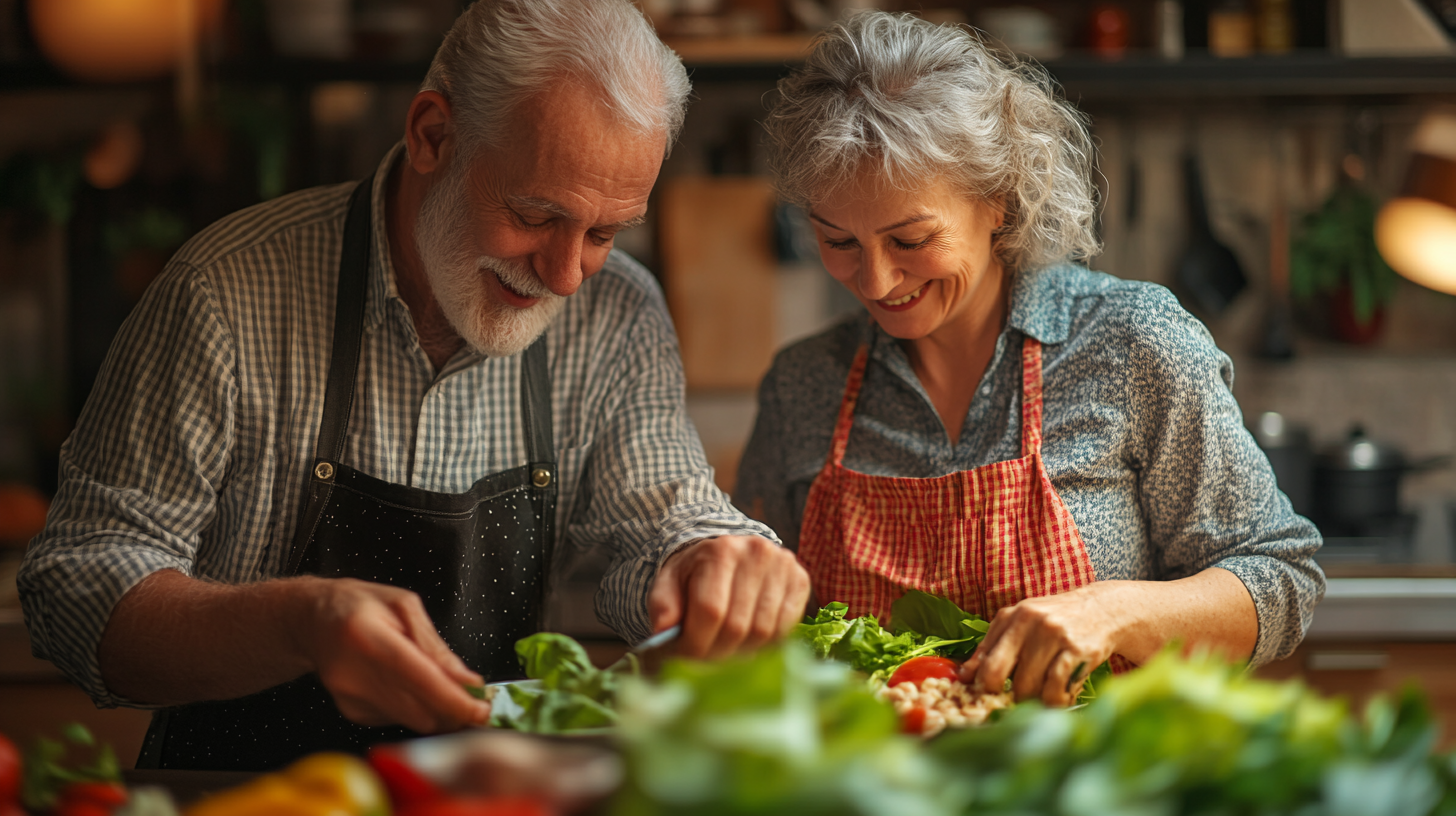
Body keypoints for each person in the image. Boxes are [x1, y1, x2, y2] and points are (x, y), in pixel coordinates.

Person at [19, 0, 808, 770]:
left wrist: (711, 560)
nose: (567, 275)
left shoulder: (617, 314)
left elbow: (661, 523)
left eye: (603, 233)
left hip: (489, 791)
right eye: (535, 215)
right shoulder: (223, 292)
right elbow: (76, 589)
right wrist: (299, 623)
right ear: (432, 134)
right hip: (243, 792)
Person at [736, 12, 1323, 707]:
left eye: (911, 239)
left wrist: (1113, 613)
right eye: (838, 242)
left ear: (999, 205)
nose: (875, 282)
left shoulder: (1130, 342)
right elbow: (753, 610)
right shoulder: (804, 383)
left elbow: (1281, 579)